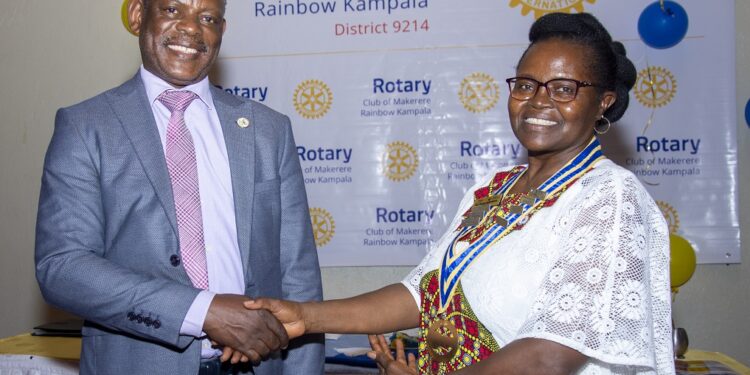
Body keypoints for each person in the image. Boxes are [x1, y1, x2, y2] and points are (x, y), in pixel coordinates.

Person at [238, 12, 674, 375]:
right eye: (525, 84)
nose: (538, 101)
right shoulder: (492, 189)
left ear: (603, 102)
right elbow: (420, 293)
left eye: (564, 89)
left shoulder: (609, 197)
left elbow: (552, 354)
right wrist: (306, 316)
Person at [34, 0, 324, 374]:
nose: (191, 28)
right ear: (138, 15)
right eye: (172, 10)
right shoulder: (86, 127)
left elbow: (298, 277)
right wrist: (202, 311)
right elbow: (63, 267)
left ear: (222, 30)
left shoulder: (269, 131)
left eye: (208, 18)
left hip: (258, 365)